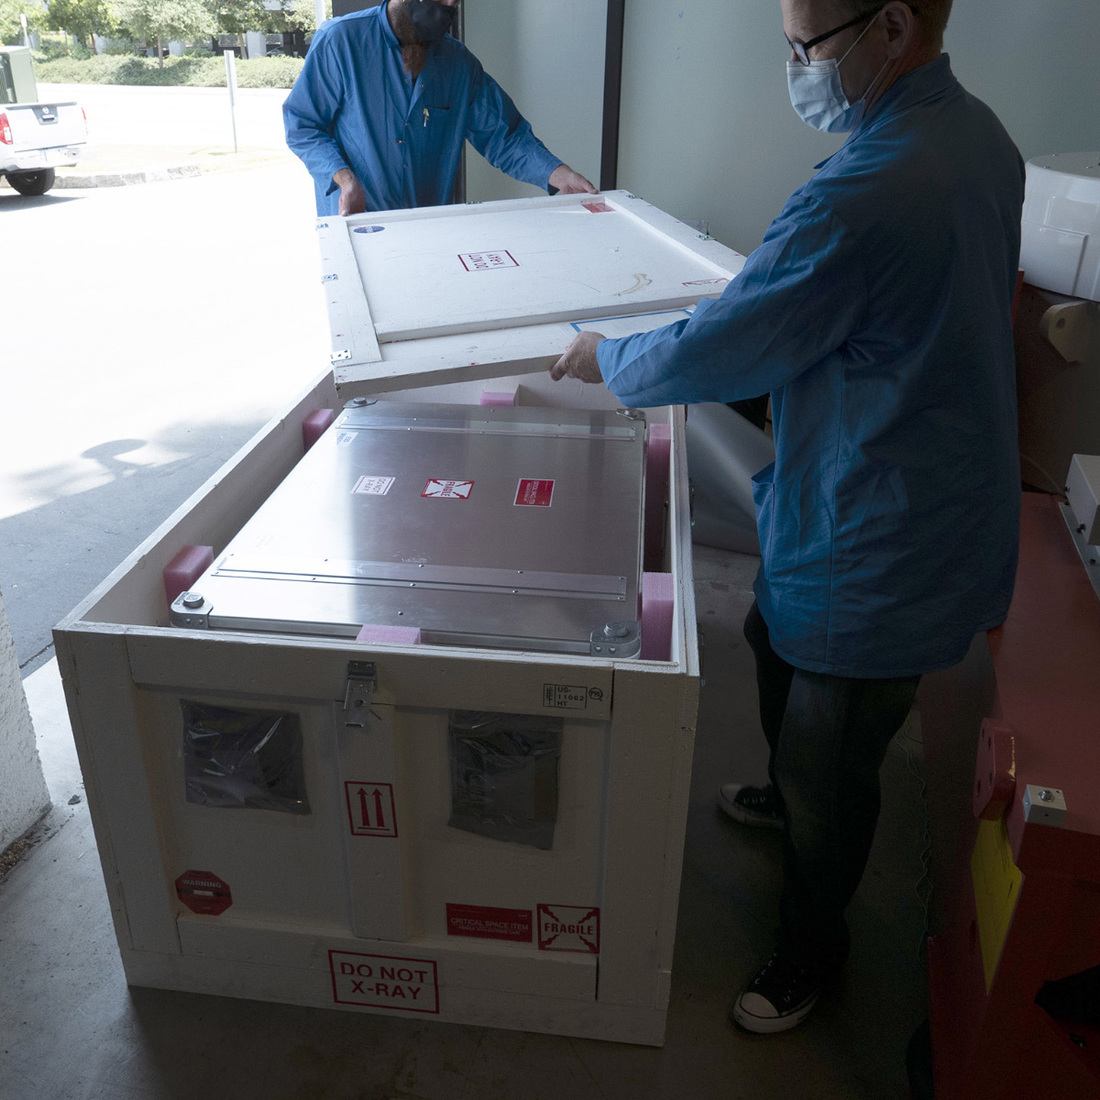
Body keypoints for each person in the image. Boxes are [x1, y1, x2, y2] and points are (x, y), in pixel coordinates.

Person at [550, 0, 1024, 1034]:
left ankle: (813, 941)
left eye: (804, 46)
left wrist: (610, 354)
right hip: (907, 466)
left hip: (882, 524)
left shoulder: (867, 189)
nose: (794, 66)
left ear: (892, 26)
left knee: (833, 748)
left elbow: (729, 346)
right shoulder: (974, 135)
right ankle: (786, 794)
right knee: (771, 628)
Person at [283, 0, 596, 216]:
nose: (444, 12)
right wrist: (343, 178)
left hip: (430, 228)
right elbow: (304, 125)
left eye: (452, 6)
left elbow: (504, 135)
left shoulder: (458, 64)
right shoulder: (341, 42)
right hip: (356, 223)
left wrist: (557, 173)